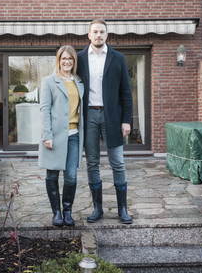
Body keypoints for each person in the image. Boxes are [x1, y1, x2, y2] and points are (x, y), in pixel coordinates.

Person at [76, 19, 133, 224]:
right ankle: (97, 209)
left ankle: (122, 210)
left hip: (112, 117)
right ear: (89, 35)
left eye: (102, 32)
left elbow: (126, 92)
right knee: (92, 163)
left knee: (117, 162)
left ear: (107, 35)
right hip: (89, 115)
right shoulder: (79, 58)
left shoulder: (118, 58)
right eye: (95, 32)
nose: (98, 35)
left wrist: (126, 120)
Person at [38, 45, 84, 226]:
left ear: (74, 61)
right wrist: (46, 135)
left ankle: (67, 211)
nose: (67, 61)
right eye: (64, 58)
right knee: (52, 173)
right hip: (55, 136)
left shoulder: (78, 82)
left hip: (74, 135)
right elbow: (44, 109)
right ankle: (56, 213)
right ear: (59, 60)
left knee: (71, 176)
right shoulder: (49, 81)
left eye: (70, 59)